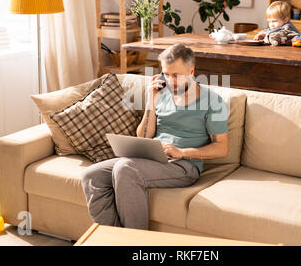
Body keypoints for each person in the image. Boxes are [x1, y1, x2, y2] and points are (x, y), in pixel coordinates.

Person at [81, 43, 229, 230]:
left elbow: (222, 148)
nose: (170, 80)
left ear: (191, 71)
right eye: (166, 74)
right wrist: (151, 101)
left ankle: (137, 245)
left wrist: (182, 152)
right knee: (90, 175)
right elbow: (144, 135)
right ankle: (114, 239)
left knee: (124, 168)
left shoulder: (213, 102)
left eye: (176, 75)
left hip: (184, 165)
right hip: (153, 157)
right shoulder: (162, 93)